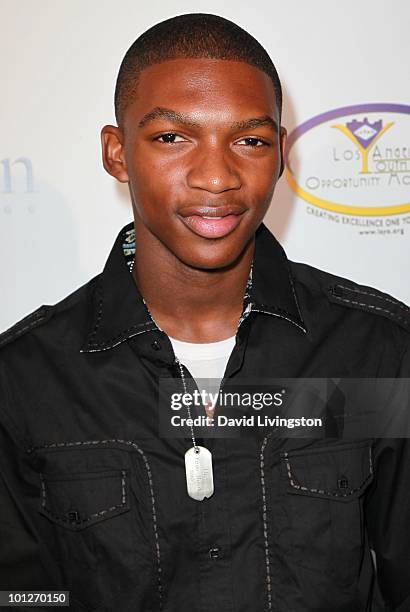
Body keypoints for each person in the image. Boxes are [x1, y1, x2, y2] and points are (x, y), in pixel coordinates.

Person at [0, 12, 409, 612]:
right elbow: (22, 596)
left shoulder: (375, 353)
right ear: (117, 153)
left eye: (250, 140)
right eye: (172, 137)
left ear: (280, 155)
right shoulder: (26, 379)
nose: (217, 176)